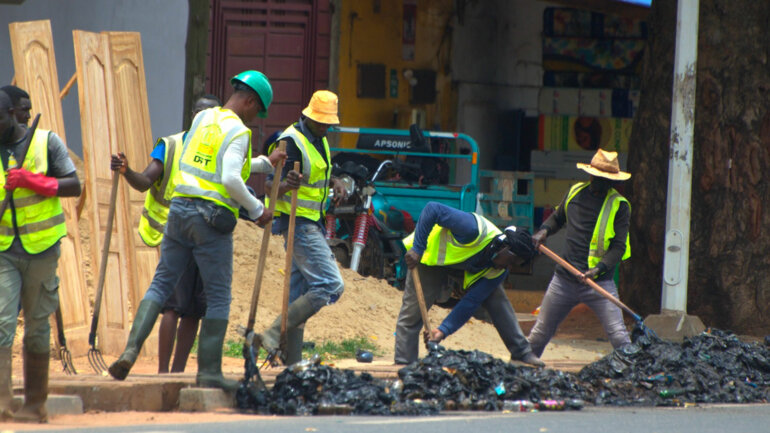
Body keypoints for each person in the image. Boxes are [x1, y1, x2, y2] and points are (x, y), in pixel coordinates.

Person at [107, 70, 277, 391]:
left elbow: (213, 163)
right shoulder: (238, 132)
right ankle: (210, 372)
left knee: (161, 285)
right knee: (218, 298)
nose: (256, 118)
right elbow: (229, 178)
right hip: (210, 219)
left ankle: (131, 350)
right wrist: (257, 210)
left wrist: (265, 163)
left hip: (179, 211)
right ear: (250, 101)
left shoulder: (201, 120)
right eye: (258, 111)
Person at [0, 89, 82, 423]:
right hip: (4, 249)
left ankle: (35, 405)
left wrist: (33, 181)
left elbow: (74, 185)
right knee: (2, 321)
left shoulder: (46, 142)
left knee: (36, 327)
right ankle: (3, 405)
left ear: (9, 115)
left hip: (42, 249)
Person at [254, 90, 346, 366]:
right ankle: (271, 334)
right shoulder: (290, 141)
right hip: (298, 224)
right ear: (307, 116)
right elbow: (270, 185)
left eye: (329, 123)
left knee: (297, 294)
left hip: (311, 221)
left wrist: (335, 181)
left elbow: (317, 176)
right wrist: (286, 185)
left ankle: (288, 360)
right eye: (321, 122)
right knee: (330, 285)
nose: (326, 127)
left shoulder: (320, 140)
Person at [395, 201, 545, 367]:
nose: (508, 267)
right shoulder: (472, 229)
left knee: (497, 298)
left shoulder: (499, 269)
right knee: (413, 310)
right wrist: (417, 248)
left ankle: (522, 352)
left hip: (466, 264)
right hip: (431, 258)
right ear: (505, 248)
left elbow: (471, 302)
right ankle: (404, 360)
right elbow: (432, 209)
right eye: (510, 261)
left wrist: (442, 331)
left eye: (514, 266)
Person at [527, 148, 632, 357]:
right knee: (539, 334)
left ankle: (637, 375)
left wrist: (597, 269)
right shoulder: (575, 192)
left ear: (613, 182)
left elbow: (618, 247)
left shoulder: (619, 205)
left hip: (599, 282)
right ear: (591, 174)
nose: (602, 183)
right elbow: (558, 218)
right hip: (564, 280)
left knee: (619, 336)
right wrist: (543, 232)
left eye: (608, 180)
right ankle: (519, 369)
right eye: (599, 177)